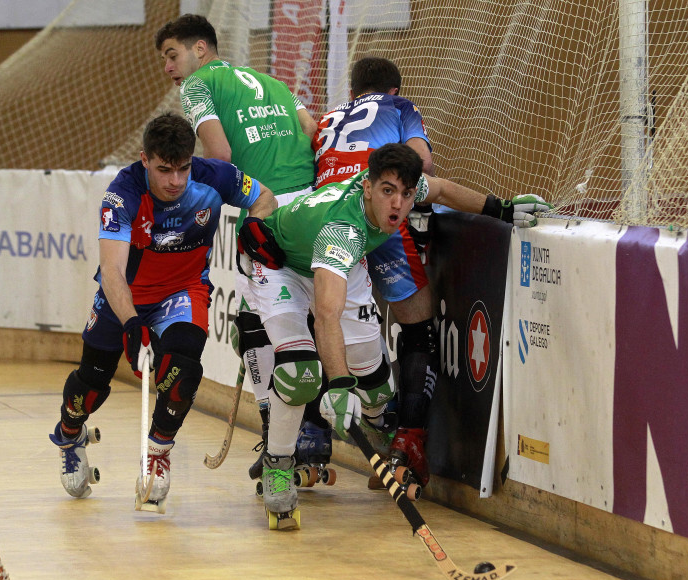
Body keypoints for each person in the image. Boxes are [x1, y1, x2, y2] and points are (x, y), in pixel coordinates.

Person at [238, 143, 550, 527]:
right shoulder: (343, 230)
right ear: (367, 188)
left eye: (404, 194)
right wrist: (336, 384)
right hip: (280, 266)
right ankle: (279, 463)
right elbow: (325, 315)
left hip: (337, 268)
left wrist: (500, 208)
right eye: (388, 191)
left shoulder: (404, 192)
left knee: (378, 392)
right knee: (299, 372)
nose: (398, 205)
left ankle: (373, 421)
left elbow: (442, 189)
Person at [311, 56, 544, 488]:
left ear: (353, 91)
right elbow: (426, 170)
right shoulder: (400, 109)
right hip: (375, 218)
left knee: (322, 317)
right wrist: (502, 209)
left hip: (327, 220)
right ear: (394, 90)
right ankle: (408, 442)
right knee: (418, 327)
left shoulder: (328, 118)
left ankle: (310, 436)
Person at [48, 114, 277, 508]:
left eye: (183, 168)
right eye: (164, 170)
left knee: (183, 368)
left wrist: (254, 227)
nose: (175, 180)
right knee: (91, 384)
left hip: (183, 291)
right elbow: (114, 272)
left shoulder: (215, 176)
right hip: (127, 295)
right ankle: (71, 435)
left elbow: (265, 198)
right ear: (144, 160)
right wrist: (132, 322)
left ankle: (157, 452)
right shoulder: (122, 194)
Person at [155, 14, 317, 480]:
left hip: (269, 211)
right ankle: (299, 437)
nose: (169, 68)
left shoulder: (197, 87)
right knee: (272, 320)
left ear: (200, 49)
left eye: (172, 55)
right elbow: (312, 131)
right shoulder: (275, 82)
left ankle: (284, 443)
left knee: (274, 330)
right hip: (313, 203)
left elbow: (220, 155)